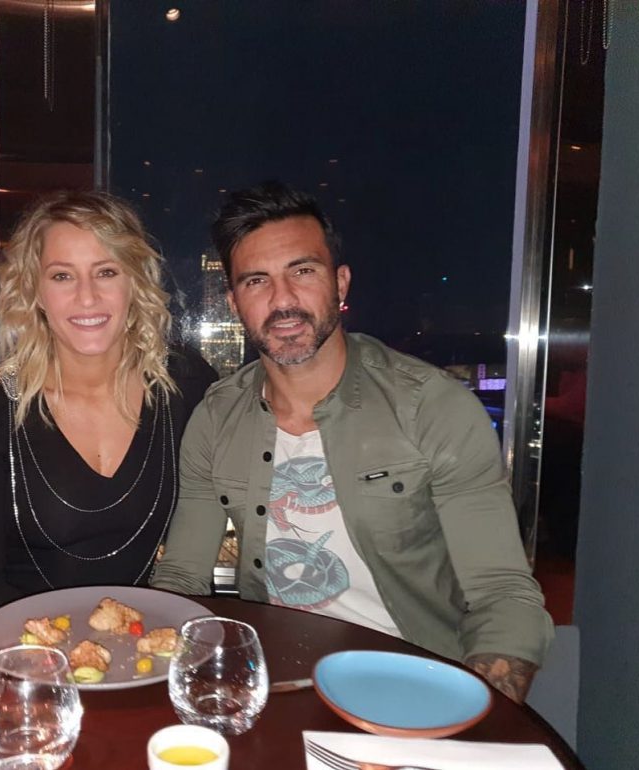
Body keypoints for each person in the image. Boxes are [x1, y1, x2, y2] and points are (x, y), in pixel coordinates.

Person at [151, 181, 553, 703]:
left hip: (419, 682)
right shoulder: (216, 417)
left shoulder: (431, 407)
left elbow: (503, 594)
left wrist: (473, 718)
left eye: (302, 271)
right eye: (257, 281)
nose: (283, 300)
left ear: (340, 284)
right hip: (276, 687)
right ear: (234, 302)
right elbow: (182, 575)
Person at [0, 191, 217, 626]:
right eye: (62, 276)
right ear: (35, 292)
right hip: (0, 634)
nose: (87, 297)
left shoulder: (186, 387)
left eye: (106, 272)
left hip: (130, 640)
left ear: (134, 282)